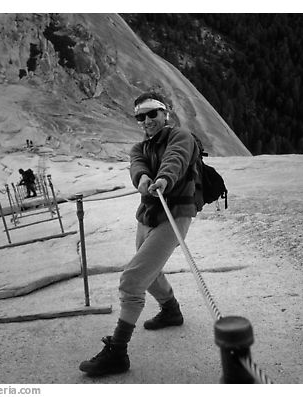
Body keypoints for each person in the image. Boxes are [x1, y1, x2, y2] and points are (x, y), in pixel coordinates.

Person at [79, 92, 200, 377]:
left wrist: (163, 179)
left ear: (165, 113)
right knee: (150, 272)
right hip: (147, 215)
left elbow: (176, 158)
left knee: (133, 279)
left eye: (151, 114)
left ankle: (117, 352)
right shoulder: (139, 147)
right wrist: (142, 178)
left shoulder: (181, 136)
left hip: (175, 215)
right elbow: (138, 165)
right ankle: (171, 311)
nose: (146, 120)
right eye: (140, 116)